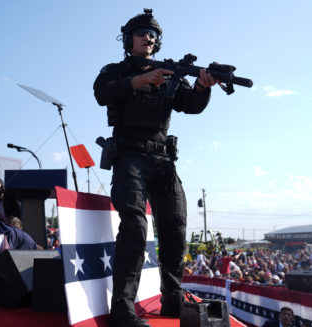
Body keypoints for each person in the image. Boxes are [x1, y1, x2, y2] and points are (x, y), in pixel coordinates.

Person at [93, 9, 216, 326]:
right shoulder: (114, 71)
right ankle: (122, 308)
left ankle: (173, 299)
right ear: (128, 39)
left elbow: (190, 106)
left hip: (162, 158)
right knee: (134, 226)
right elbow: (101, 94)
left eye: (153, 34)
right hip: (129, 156)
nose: (149, 37)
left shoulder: (169, 73)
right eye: (142, 32)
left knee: (175, 226)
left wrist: (203, 87)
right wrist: (139, 79)